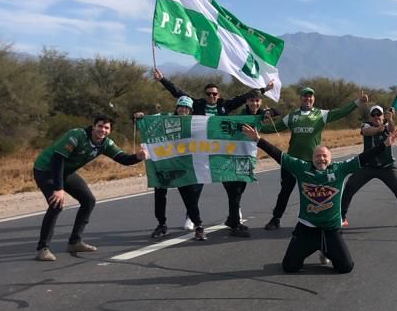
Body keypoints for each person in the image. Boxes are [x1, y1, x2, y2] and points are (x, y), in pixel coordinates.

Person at [240, 123, 397, 273]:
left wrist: (384, 145)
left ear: (330, 159)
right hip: (307, 228)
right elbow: (279, 155)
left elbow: (363, 157)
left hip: (331, 229)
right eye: (317, 156)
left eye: (324, 156)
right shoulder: (301, 168)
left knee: (346, 267)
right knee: (289, 267)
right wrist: (258, 140)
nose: (321, 159)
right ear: (312, 158)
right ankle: (314, 248)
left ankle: (326, 250)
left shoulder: (340, 169)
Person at [152, 68, 275, 230]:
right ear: (205, 95)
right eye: (209, 94)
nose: (212, 96)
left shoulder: (225, 105)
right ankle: (191, 215)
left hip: (221, 151)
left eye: (214, 94)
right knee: (196, 184)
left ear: (218, 95)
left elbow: (245, 97)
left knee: (230, 180)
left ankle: (235, 211)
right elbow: (178, 93)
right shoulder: (197, 105)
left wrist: (264, 90)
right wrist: (162, 79)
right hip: (200, 151)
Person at [32, 115, 146, 261]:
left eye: (106, 128)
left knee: (88, 201)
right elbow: (58, 159)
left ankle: (75, 242)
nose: (102, 130)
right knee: (56, 204)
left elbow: (122, 158)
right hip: (46, 169)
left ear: (110, 131)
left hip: (66, 172)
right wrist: (58, 188)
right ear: (93, 127)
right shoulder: (76, 136)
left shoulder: (106, 144)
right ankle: (42, 249)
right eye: (100, 126)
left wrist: (138, 157)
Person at [258, 86, 368, 230]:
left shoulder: (321, 114)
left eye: (310, 96)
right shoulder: (291, 116)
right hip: (292, 162)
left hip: (312, 163)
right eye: (305, 96)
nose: (307, 99)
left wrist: (357, 102)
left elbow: (340, 113)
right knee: (285, 191)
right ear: (300, 99)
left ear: (313, 99)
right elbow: (273, 128)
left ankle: (318, 220)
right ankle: (276, 219)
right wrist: (256, 125)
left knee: (315, 194)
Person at [136, 96, 208, 242]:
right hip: (162, 164)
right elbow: (147, 120)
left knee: (190, 198)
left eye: (187, 108)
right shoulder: (164, 118)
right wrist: (140, 117)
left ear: (191, 110)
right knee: (160, 195)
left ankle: (199, 226)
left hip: (183, 167)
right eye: (181, 106)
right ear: (176, 107)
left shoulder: (193, 123)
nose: (183, 109)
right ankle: (161, 225)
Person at [341, 104, 397, 228]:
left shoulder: (387, 126)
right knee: (350, 186)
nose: (376, 117)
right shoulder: (366, 125)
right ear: (370, 117)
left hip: (387, 167)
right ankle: (342, 216)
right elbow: (366, 131)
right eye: (373, 115)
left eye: (379, 114)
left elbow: (392, 129)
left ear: (383, 116)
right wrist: (378, 129)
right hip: (367, 166)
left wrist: (390, 119)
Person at [222, 88, 279, 237]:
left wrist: (270, 112)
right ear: (247, 101)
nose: (254, 103)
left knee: (239, 190)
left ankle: (231, 219)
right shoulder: (241, 117)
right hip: (232, 158)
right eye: (252, 100)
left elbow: (277, 111)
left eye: (257, 101)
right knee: (235, 191)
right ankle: (235, 225)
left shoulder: (259, 115)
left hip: (247, 158)